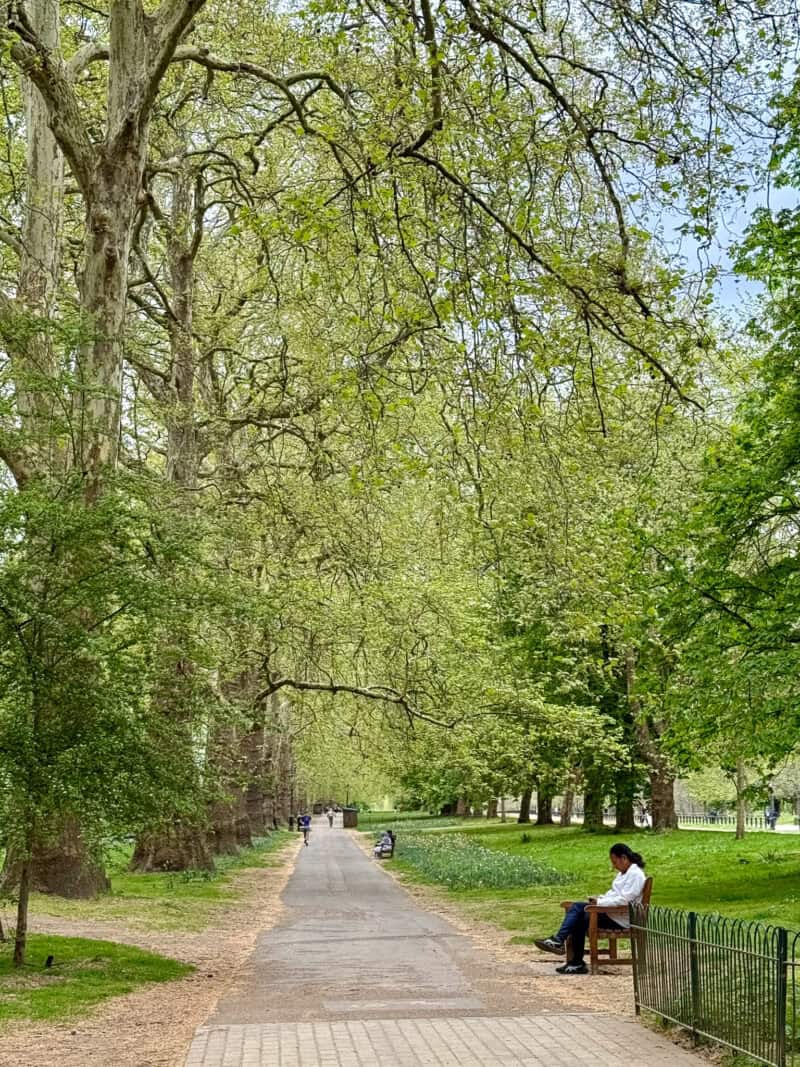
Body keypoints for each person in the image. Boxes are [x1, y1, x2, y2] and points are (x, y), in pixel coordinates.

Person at [534, 843, 646, 975]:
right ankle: (573, 960)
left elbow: (624, 900)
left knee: (577, 909)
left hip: (620, 917)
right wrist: (599, 899)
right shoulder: (624, 873)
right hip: (612, 913)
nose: (614, 866)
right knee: (579, 915)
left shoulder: (636, 875)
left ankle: (560, 943)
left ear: (624, 858)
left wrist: (600, 902)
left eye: (615, 862)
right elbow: (614, 893)